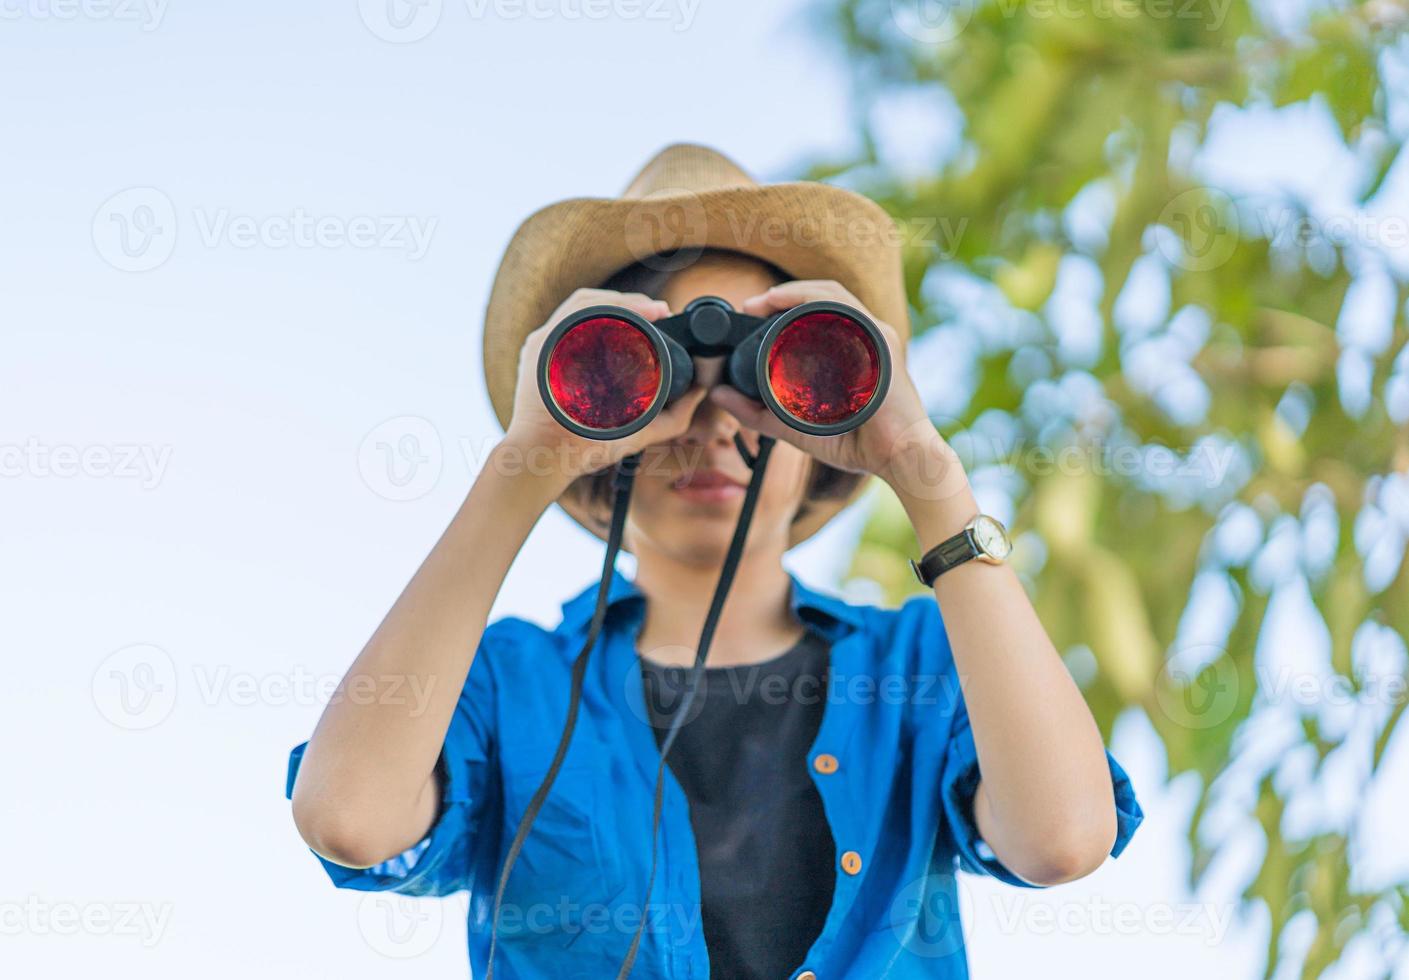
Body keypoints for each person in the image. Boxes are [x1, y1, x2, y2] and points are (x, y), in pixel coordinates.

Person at [286, 144, 1143, 979]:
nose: (713, 424)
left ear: (821, 435)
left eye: (776, 369)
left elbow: (1061, 840)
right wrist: (522, 470)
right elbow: (349, 818)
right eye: (652, 374)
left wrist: (926, 474)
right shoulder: (511, 682)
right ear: (607, 433)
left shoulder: (915, 668)